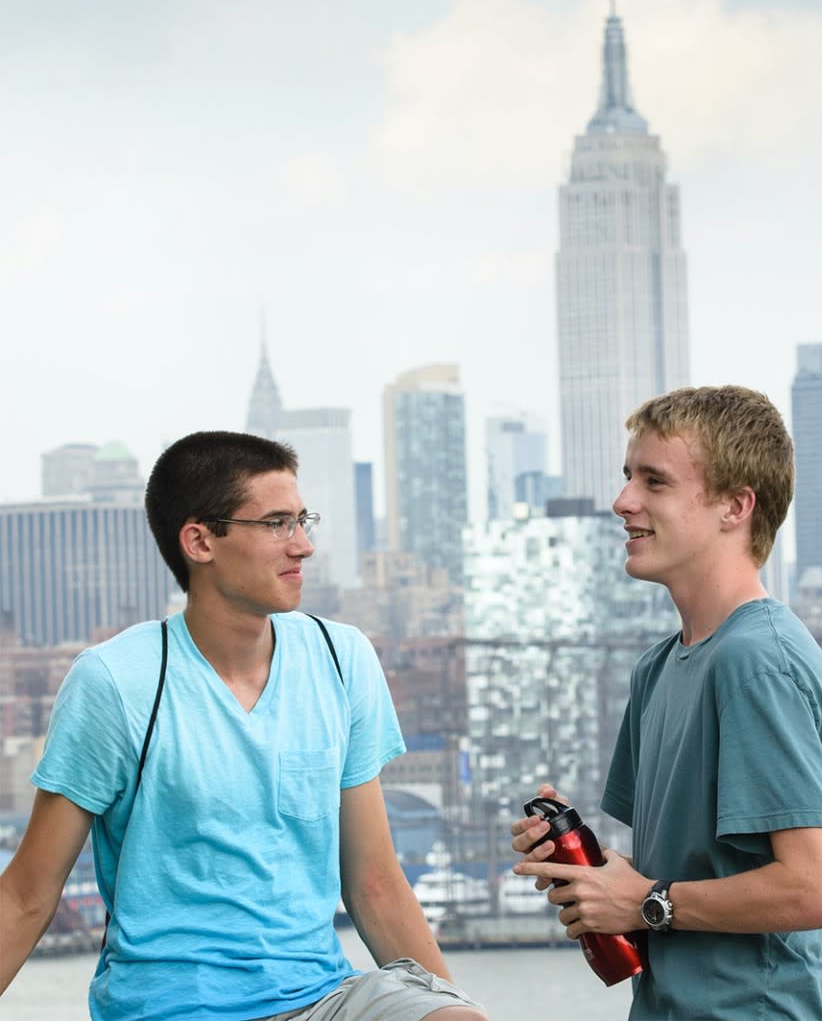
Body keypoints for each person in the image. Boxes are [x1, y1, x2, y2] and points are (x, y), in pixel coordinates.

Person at [0, 430, 486, 1021]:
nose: (303, 545)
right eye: (278, 523)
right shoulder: (116, 680)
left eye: (303, 520)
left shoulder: (343, 657)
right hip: (174, 1008)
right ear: (200, 540)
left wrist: (448, 1004)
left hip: (323, 997)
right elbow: (27, 894)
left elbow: (376, 884)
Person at [511, 386, 822, 1020]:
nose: (622, 502)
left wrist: (645, 901)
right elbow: (680, 876)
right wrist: (594, 875)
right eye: (626, 477)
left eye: (655, 482)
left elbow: (819, 889)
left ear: (734, 506)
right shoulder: (660, 668)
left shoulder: (755, 663)